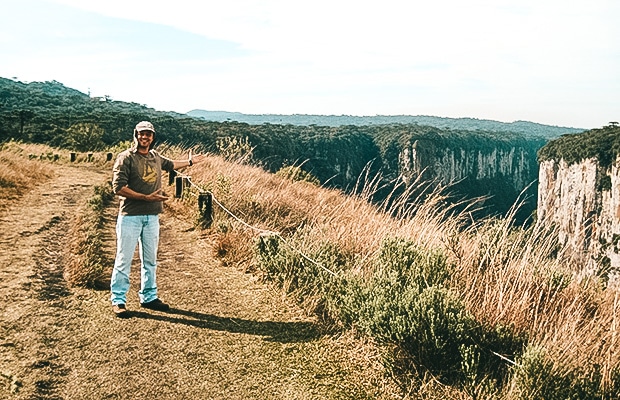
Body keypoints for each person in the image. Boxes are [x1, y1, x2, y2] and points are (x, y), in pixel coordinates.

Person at [110, 120, 205, 318]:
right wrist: (146, 197)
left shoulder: (155, 157)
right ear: (135, 135)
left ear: (153, 137)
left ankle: (149, 297)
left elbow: (171, 165)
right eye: (141, 134)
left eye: (148, 134)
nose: (144, 137)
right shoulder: (125, 157)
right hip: (130, 217)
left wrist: (190, 162)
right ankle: (118, 300)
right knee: (124, 259)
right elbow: (118, 188)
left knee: (150, 260)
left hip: (152, 216)